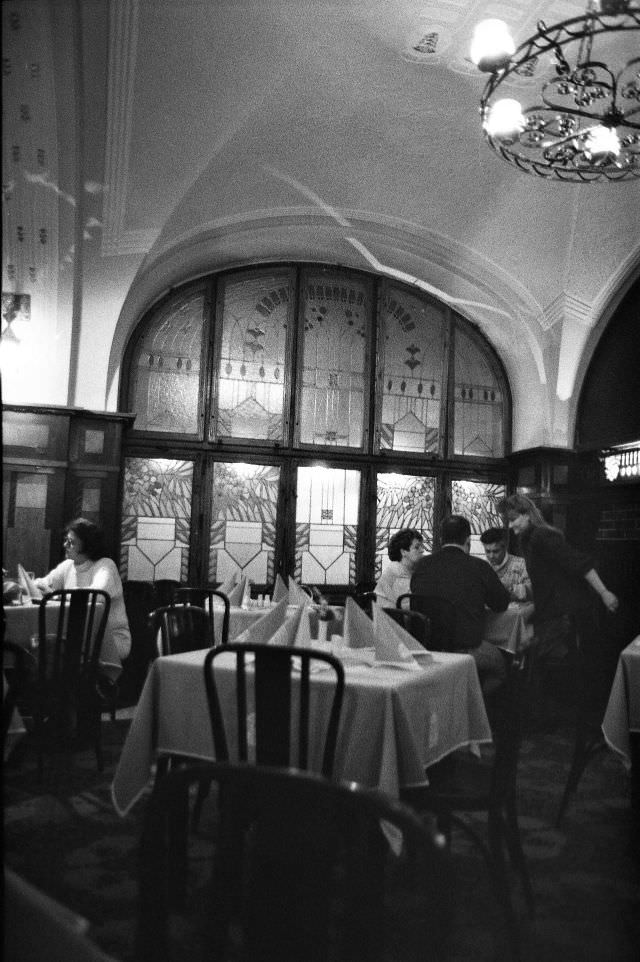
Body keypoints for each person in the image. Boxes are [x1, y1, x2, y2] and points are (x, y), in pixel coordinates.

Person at [496, 494, 619, 663]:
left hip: (561, 617)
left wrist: (604, 592)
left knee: (555, 676)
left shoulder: (541, 536)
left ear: (526, 515)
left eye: (513, 519)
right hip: (551, 617)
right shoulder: (528, 539)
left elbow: (579, 563)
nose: (510, 525)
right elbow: (546, 583)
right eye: (507, 521)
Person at [411, 514, 510, 695]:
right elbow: (501, 603)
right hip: (466, 648)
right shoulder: (478, 566)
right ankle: (472, 708)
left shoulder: (422, 565)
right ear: (467, 540)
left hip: (428, 647)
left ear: (441, 539)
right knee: (502, 668)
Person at [34, 518, 132, 680]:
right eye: (66, 540)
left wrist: (57, 595)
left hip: (110, 639)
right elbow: (43, 583)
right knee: (42, 645)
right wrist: (37, 585)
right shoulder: (68, 565)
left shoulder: (105, 565)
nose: (65, 545)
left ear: (87, 545)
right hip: (78, 636)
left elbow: (98, 595)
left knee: (52, 647)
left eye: (71, 542)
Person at [375, 528, 426, 607]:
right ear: (403, 552)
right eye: (417, 547)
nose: (422, 550)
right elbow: (409, 605)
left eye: (421, 547)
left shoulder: (410, 569)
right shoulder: (396, 571)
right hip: (387, 618)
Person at [479, 526, 532, 602]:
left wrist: (507, 588)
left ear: (505, 547)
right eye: (488, 551)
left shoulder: (522, 564)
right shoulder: (481, 566)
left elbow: (532, 592)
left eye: (496, 551)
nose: (491, 556)